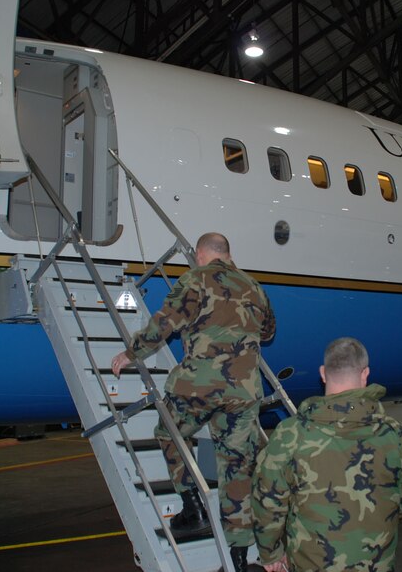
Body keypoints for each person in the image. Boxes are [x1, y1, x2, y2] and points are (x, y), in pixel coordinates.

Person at [111, 232, 275, 572]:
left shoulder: (196, 278)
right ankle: (240, 559)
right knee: (235, 468)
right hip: (244, 392)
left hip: (200, 386)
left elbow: (165, 324)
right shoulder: (254, 287)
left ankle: (192, 505)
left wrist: (132, 353)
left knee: (169, 431)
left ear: (201, 254)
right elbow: (269, 332)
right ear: (228, 255)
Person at [252, 337, 402, 572]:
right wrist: (381, 516)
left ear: (323, 373)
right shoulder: (394, 433)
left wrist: (271, 553)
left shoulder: (291, 434)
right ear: (365, 374)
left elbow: (268, 499)